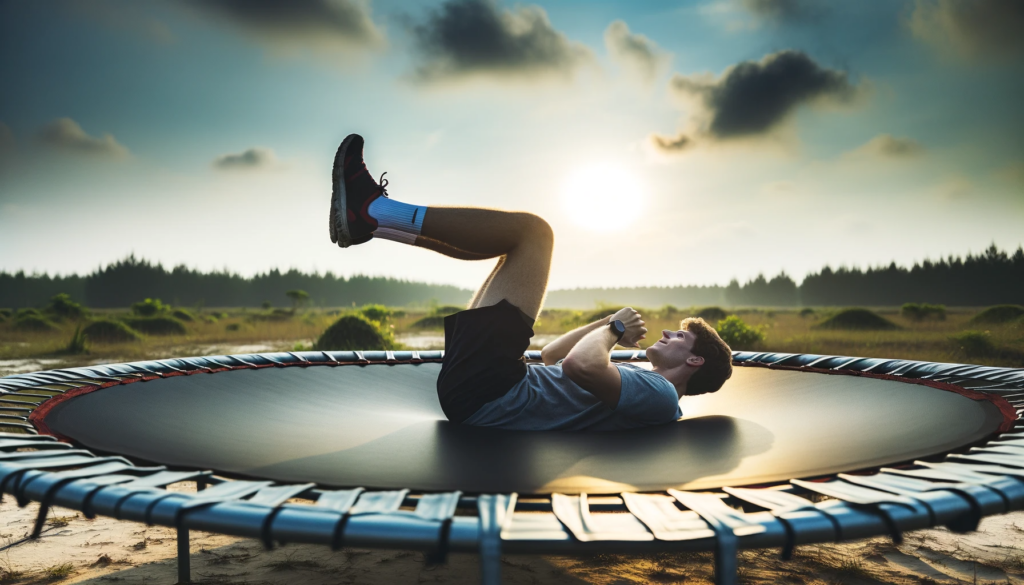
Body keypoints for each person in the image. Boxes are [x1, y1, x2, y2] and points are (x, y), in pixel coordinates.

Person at [329, 134, 733, 431]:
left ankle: (375, 212)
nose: (668, 332)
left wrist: (615, 329)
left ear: (694, 361)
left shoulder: (661, 395)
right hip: (488, 387)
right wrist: (606, 322)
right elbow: (555, 354)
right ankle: (374, 224)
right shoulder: (638, 377)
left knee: (534, 234)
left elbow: (580, 364)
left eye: (681, 337)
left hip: (495, 391)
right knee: (509, 249)